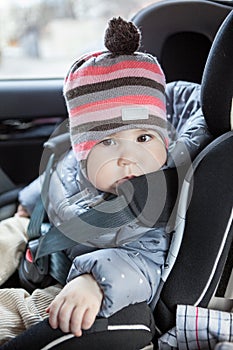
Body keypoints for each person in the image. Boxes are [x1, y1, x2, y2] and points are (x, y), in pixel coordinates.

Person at [0, 16, 170, 348]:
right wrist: (29, 206)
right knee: (8, 232)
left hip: (74, 282)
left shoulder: (155, 199)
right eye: (107, 142)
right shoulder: (75, 164)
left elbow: (146, 260)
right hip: (42, 238)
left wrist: (94, 281)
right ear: (82, 151)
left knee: (26, 310)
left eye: (145, 137)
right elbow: (57, 179)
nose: (129, 156)